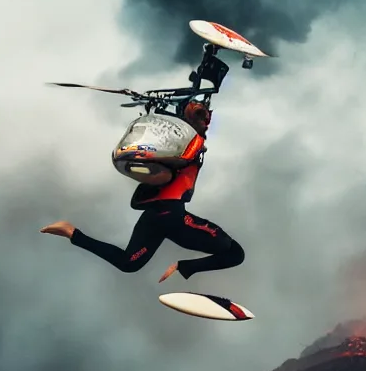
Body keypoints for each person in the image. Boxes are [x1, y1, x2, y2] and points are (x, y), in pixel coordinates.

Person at [40, 100, 245, 283]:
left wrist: (185, 266)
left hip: (159, 217)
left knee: (129, 263)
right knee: (235, 253)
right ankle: (184, 268)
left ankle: (71, 232)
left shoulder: (189, 142)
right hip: (173, 216)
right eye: (204, 119)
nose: (207, 123)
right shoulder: (192, 144)